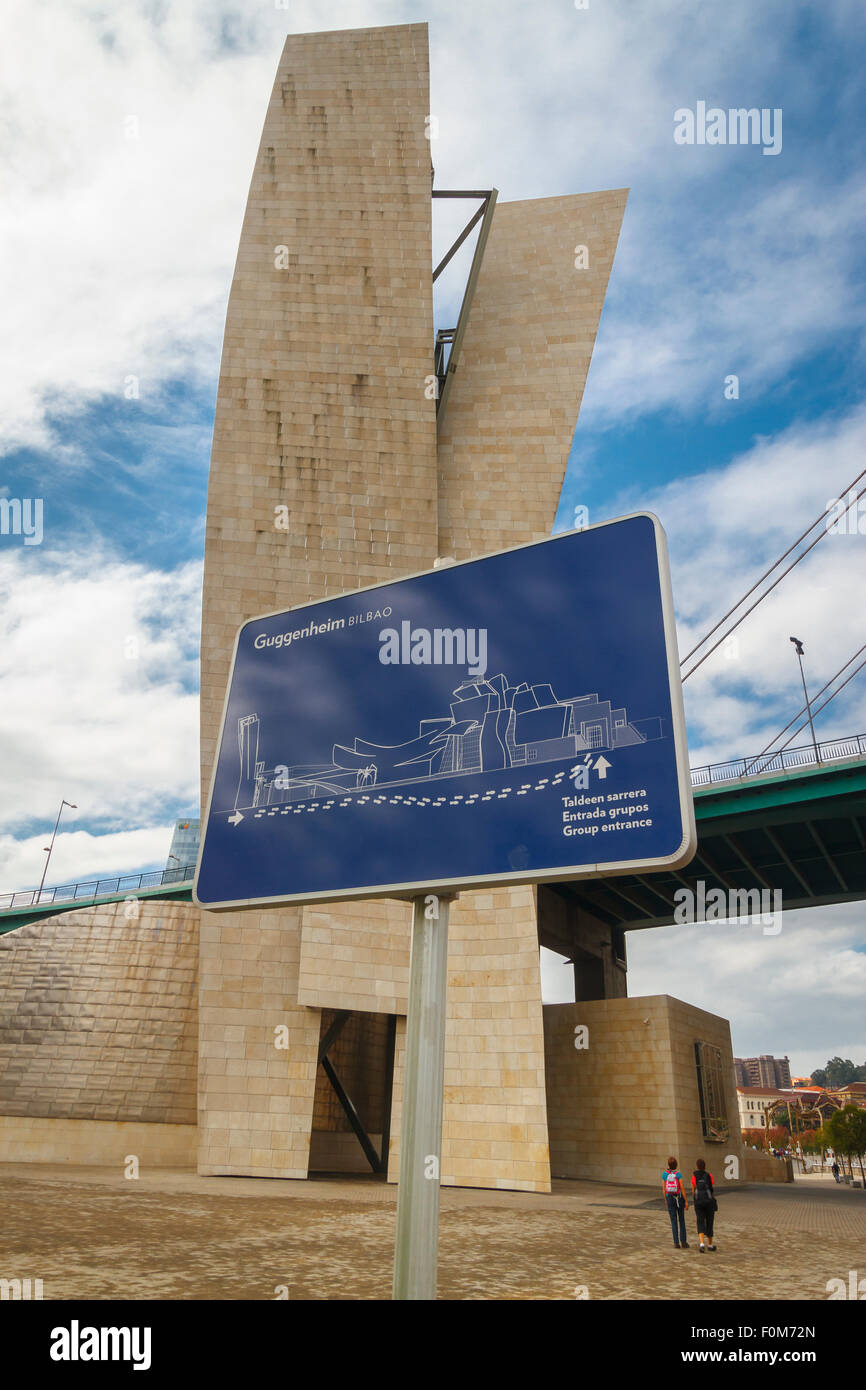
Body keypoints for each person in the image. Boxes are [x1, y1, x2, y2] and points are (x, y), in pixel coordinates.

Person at [662, 1157, 689, 1249]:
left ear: (668, 1165)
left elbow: (664, 1189)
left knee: (673, 1221)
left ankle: (676, 1242)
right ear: (676, 1165)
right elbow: (682, 1188)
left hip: (670, 1198)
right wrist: (686, 1200)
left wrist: (666, 1199)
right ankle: (684, 1242)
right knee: (681, 1219)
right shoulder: (678, 1175)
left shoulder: (665, 1175)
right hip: (679, 1198)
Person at [691, 1158, 717, 1251]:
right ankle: (710, 1245)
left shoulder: (694, 1176)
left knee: (700, 1221)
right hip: (709, 1202)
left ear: (697, 1166)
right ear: (705, 1166)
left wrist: (695, 1200)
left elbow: (693, 1190)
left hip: (698, 1203)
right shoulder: (709, 1175)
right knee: (709, 1222)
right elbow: (711, 1189)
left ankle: (702, 1244)